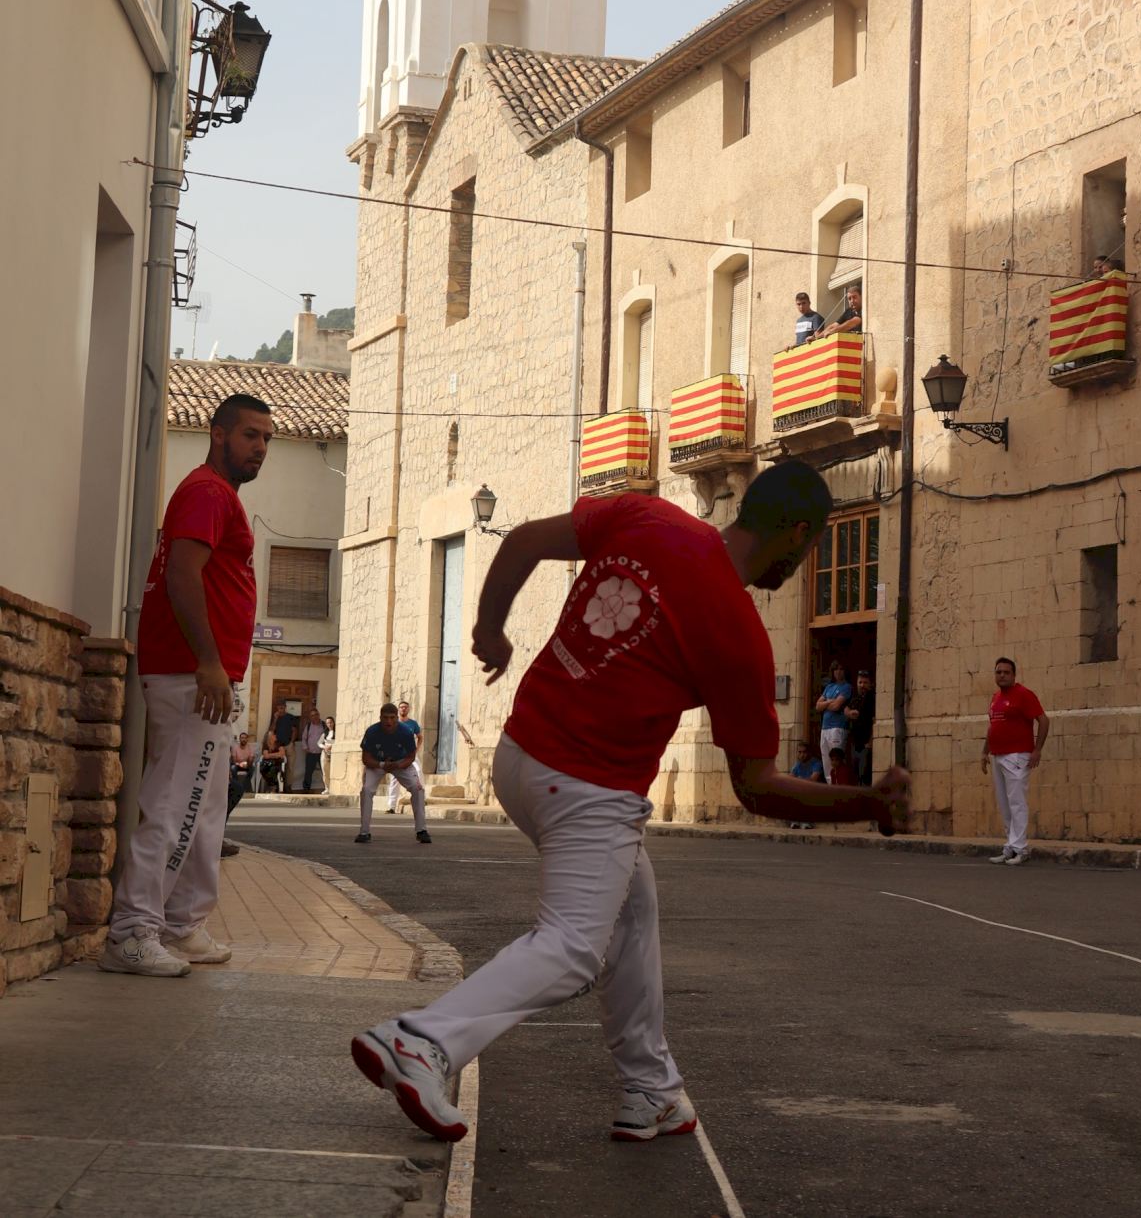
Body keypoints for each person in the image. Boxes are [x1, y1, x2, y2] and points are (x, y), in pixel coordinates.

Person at [350, 462, 909, 1146]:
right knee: (571, 949)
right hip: (589, 790)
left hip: (519, 756)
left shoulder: (650, 517)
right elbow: (756, 786)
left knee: (633, 909)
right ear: (797, 534)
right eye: (814, 542)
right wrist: (866, 802)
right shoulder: (739, 634)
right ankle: (422, 1040)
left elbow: (522, 540)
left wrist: (491, 629)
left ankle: (652, 1089)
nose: (804, 560)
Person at [100, 393, 273, 978]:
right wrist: (207, 661)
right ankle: (132, 932)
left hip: (206, 677)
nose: (260, 447)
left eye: (267, 438)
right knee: (175, 804)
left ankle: (181, 923)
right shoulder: (207, 492)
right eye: (250, 435)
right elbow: (181, 574)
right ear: (217, 433)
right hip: (190, 675)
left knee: (204, 809)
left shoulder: (218, 496)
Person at [981, 656, 1049, 866]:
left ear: (1014, 675)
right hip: (997, 755)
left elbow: (1043, 720)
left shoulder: (1024, 694)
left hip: (1017, 756)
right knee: (1005, 804)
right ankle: (1010, 847)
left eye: (1006, 672)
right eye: (998, 672)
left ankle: (1021, 848)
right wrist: (984, 752)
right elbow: (992, 726)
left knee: (1017, 802)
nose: (1002, 675)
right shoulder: (996, 698)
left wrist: (1037, 750)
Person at [355, 703, 431, 844]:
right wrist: (381, 765)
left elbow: (411, 756)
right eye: (385, 718)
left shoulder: (406, 732)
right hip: (377, 763)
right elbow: (366, 758)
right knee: (366, 790)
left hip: (400, 762)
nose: (389, 722)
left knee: (418, 788)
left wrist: (399, 765)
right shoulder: (372, 732)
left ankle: (421, 830)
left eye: (392, 718)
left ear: (397, 718)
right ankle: (364, 832)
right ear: (380, 718)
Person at [814, 661, 853, 780]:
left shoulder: (846, 687)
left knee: (837, 759)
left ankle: (840, 784)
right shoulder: (829, 687)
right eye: (836, 669)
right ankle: (830, 785)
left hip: (838, 727)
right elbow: (817, 706)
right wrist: (830, 702)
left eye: (841, 669)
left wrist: (826, 704)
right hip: (825, 728)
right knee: (826, 760)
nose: (838, 672)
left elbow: (836, 706)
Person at [385, 700, 423, 814]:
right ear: (398, 710)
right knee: (395, 779)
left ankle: (420, 799)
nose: (403, 709)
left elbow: (420, 737)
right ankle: (391, 806)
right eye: (401, 707)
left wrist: (416, 749)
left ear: (408, 709)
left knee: (418, 771)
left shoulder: (413, 724)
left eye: (405, 707)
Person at [845, 668, 875, 785]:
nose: (862, 685)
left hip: (866, 744)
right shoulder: (856, 699)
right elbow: (846, 708)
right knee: (856, 774)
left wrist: (870, 741)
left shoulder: (872, 698)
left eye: (865, 682)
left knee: (864, 776)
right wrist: (849, 712)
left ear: (870, 684)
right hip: (855, 744)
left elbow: (875, 721)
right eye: (860, 682)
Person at [788, 738, 823, 829]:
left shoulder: (816, 763)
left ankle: (806, 821)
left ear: (809, 753)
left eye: (804, 752)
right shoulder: (797, 764)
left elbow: (814, 779)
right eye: (799, 752)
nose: (802, 755)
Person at [271, 702, 298, 791]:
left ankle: (288, 786)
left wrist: (292, 742)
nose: (280, 709)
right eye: (279, 708)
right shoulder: (275, 717)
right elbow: (271, 730)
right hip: (278, 747)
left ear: (285, 707)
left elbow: (294, 730)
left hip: (288, 745)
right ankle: (277, 786)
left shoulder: (291, 717)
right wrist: (275, 719)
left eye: (282, 707)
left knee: (290, 766)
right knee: (278, 766)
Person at [301, 707, 326, 793]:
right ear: (310, 717)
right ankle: (306, 789)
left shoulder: (324, 725)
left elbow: (329, 736)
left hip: (322, 753)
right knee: (308, 772)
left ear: (319, 715)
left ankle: (328, 788)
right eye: (312, 715)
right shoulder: (308, 726)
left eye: (315, 715)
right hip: (311, 753)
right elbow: (304, 738)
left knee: (325, 771)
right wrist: (305, 748)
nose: (314, 717)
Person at [319, 715, 337, 793]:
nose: (329, 724)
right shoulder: (325, 733)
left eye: (331, 722)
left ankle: (334, 788)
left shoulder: (337, 732)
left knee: (333, 771)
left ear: (333, 723)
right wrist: (324, 747)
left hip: (334, 753)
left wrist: (332, 746)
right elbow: (319, 742)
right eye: (327, 723)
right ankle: (327, 788)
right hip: (325, 753)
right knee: (325, 771)